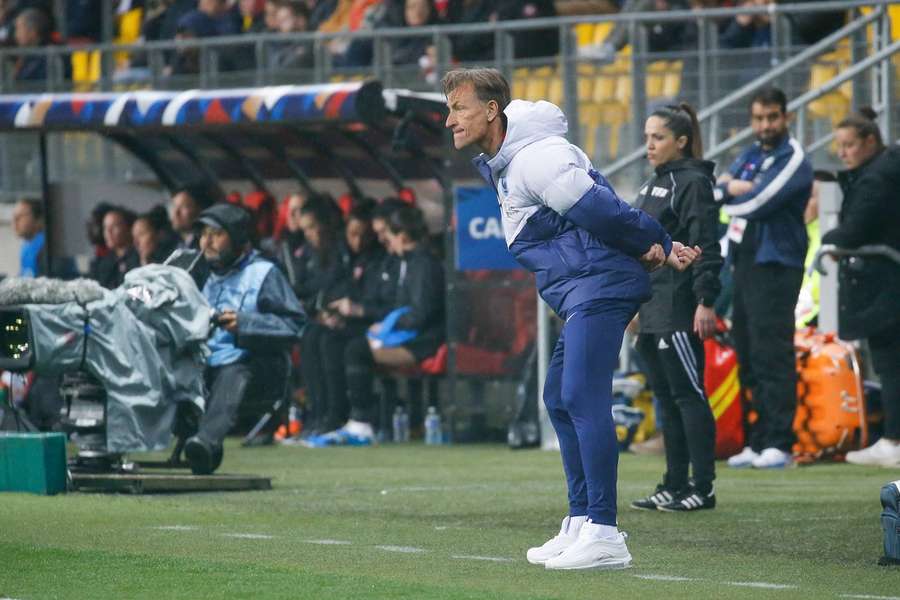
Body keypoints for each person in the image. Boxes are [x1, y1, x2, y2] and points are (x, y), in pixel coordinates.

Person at [442, 67, 699, 570]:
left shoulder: (536, 159)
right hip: (586, 289)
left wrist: (662, 244)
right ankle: (581, 520)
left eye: (459, 108)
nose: (449, 119)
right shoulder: (510, 161)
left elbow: (603, 211)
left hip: (599, 290)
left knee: (580, 395)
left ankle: (605, 531)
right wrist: (652, 248)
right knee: (558, 397)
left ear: (492, 111)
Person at [629, 103, 722, 513]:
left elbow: (707, 245)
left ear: (681, 142)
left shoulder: (693, 184)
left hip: (679, 306)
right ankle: (674, 483)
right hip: (652, 307)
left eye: (659, 137)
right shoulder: (654, 183)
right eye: (648, 136)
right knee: (666, 399)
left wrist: (705, 301)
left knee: (689, 396)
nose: (649, 145)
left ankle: (703, 487)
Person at [716, 87, 813, 469]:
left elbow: (757, 202)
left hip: (777, 264)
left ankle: (779, 441)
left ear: (785, 117)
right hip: (746, 260)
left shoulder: (795, 158)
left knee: (773, 352)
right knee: (748, 350)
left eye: (772, 117)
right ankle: (755, 441)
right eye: (758, 118)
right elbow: (717, 188)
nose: (765, 125)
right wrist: (727, 187)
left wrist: (730, 190)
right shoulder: (752, 154)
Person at [185, 203, 306, 474]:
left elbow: (295, 324)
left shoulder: (264, 273)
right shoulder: (200, 272)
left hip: (257, 367)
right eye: (204, 233)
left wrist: (245, 323)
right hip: (207, 362)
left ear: (239, 237)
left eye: (216, 233)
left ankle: (206, 441)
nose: (207, 241)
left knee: (234, 370)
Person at [822, 111, 900, 467]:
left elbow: (855, 230)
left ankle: (894, 439)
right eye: (839, 145)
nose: (843, 153)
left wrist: (831, 240)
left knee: (890, 363)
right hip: (886, 280)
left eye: (849, 144)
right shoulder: (883, 169)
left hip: (886, 283)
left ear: (871, 142)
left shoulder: (876, 178)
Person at [89, 206, 140, 289]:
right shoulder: (104, 262)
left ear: (128, 228)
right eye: (105, 227)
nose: (108, 232)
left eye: (114, 226)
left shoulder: (138, 257)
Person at [13, 197, 45, 277]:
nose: (15, 220)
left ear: (38, 220)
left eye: (21, 216)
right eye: (14, 216)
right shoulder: (27, 246)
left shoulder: (46, 247)